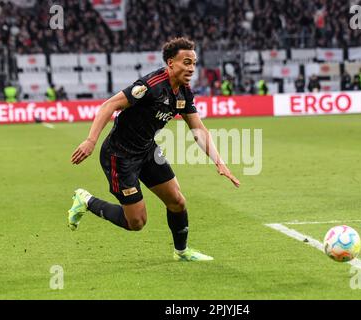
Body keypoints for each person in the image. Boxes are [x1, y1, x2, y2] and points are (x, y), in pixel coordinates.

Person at [68, 37, 240, 261]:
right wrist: (91, 140)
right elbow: (109, 105)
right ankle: (86, 201)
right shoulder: (151, 85)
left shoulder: (184, 92)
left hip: (147, 150)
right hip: (119, 156)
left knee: (177, 201)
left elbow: (198, 128)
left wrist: (219, 162)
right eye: (186, 62)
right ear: (170, 63)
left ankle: (181, 251)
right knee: (136, 222)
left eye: (194, 63)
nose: (191, 68)